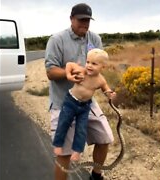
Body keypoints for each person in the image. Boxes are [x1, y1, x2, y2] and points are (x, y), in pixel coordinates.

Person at [45, 3, 114, 180]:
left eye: (88, 20)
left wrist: (106, 89)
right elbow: (51, 72)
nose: (85, 24)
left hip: (87, 103)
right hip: (63, 101)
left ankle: (96, 176)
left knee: (104, 138)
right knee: (64, 154)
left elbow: (99, 68)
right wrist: (68, 75)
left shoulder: (95, 40)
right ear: (71, 19)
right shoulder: (57, 40)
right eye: (81, 20)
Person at [52, 48, 116, 162]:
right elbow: (69, 65)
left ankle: (77, 151)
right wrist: (68, 75)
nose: (89, 66)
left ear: (103, 67)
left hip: (85, 107)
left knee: (81, 130)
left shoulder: (101, 80)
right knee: (63, 123)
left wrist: (109, 94)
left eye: (94, 64)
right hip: (70, 102)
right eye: (88, 62)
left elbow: (106, 89)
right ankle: (58, 144)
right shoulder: (82, 71)